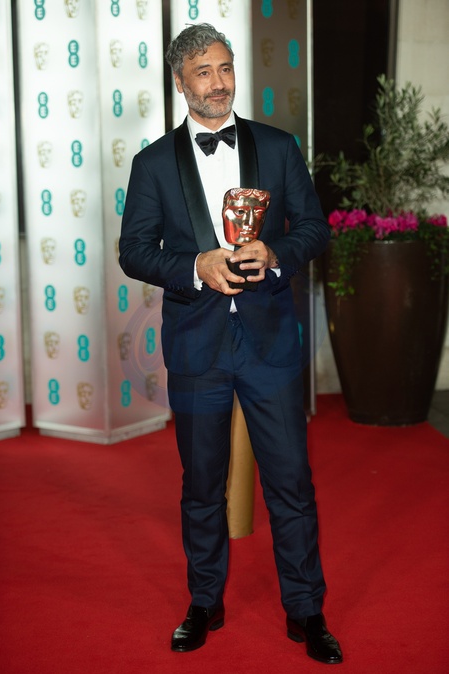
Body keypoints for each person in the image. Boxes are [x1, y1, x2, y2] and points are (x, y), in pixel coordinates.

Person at [119, 23, 342, 665]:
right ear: (180, 82)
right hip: (198, 345)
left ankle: (306, 610)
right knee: (201, 484)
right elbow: (134, 251)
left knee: (291, 482)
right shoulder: (153, 164)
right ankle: (204, 601)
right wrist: (195, 266)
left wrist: (275, 253)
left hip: (270, 341)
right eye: (203, 73)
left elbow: (315, 228)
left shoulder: (277, 146)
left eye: (225, 68)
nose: (218, 83)